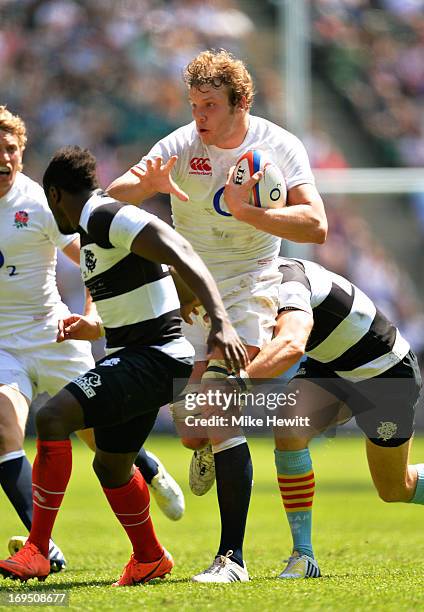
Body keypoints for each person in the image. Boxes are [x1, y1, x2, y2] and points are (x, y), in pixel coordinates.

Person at [107, 48, 327, 582]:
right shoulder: (181, 144)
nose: (199, 116)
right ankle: (205, 443)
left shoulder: (277, 146)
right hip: (194, 290)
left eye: (209, 105)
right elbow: (114, 197)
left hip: (252, 290)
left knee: (221, 415)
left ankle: (233, 559)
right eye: (194, 104)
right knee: (191, 430)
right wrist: (149, 187)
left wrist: (250, 212)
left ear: (241, 103)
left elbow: (315, 225)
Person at [0, 145, 247, 586]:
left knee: (54, 417)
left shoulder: (104, 216)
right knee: (111, 466)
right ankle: (150, 557)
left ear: (55, 195)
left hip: (153, 359)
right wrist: (93, 327)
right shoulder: (96, 233)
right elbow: (146, 279)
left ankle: (38, 549)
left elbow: (177, 246)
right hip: (140, 357)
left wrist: (221, 321)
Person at [0, 105, 186, 575]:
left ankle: (146, 467)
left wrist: (90, 316)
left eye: (12, 149)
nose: (4, 158)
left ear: (21, 153)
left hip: (54, 334)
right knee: (9, 428)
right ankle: (47, 549)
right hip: (3, 344)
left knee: (96, 438)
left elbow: (92, 257)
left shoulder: (44, 204)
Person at [228, 256, 422, 579]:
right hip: (333, 365)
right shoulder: (245, 284)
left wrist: (236, 385)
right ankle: (303, 558)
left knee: (394, 488)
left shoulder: (287, 278)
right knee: (289, 425)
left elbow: (291, 343)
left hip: (385, 371)